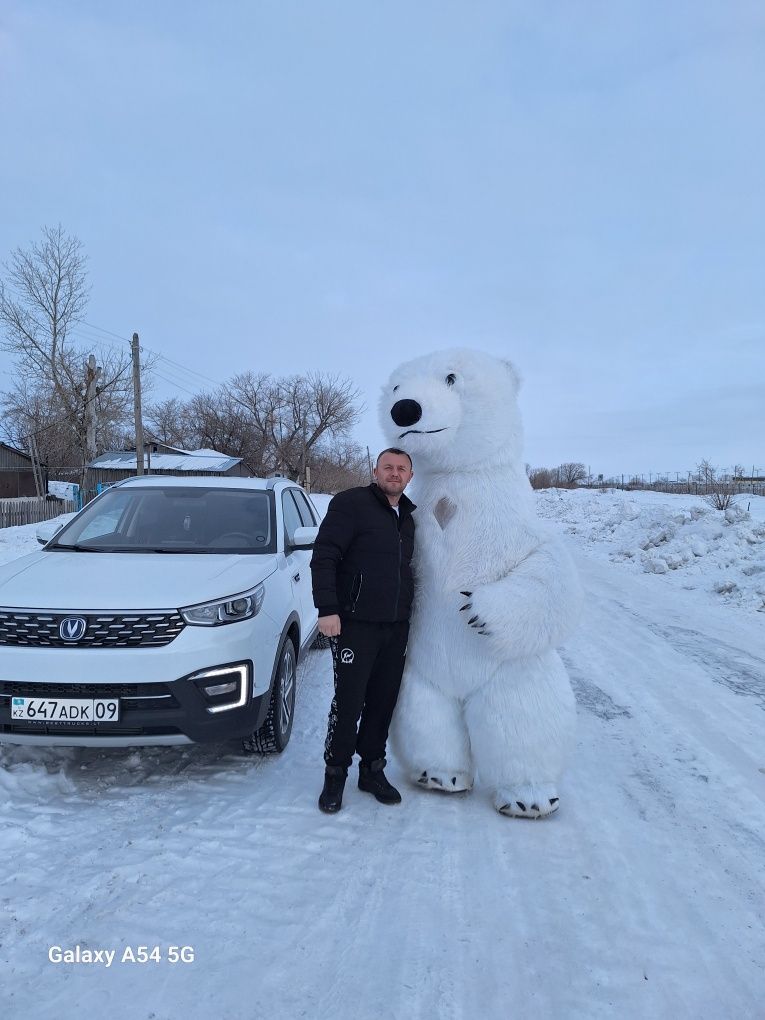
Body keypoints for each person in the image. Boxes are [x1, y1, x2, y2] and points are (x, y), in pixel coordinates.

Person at [310, 448, 416, 813]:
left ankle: (372, 770)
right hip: (355, 625)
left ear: (410, 476)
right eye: (388, 466)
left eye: (402, 468)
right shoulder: (350, 504)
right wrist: (327, 609)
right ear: (376, 470)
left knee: (383, 702)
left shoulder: (408, 516)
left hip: (396, 627)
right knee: (349, 701)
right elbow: (324, 555)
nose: (394, 473)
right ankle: (335, 774)